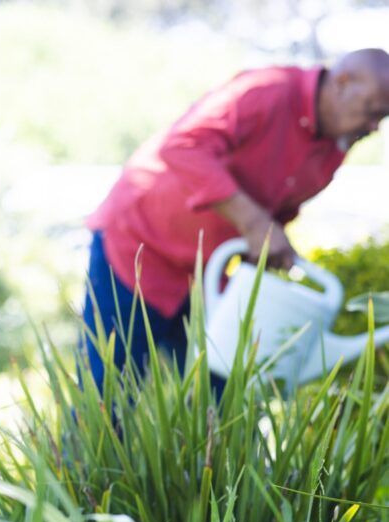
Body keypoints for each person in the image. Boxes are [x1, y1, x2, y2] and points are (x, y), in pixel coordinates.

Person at [81, 48, 389, 391]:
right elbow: (183, 146)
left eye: (383, 119)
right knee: (107, 397)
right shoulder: (266, 90)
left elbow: (277, 214)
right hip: (136, 250)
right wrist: (254, 223)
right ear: (342, 82)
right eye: (372, 112)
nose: (374, 126)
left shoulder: (332, 152)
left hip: (207, 277)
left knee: (223, 400)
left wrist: (266, 249)